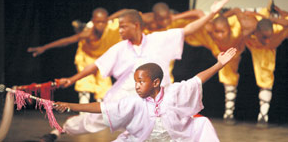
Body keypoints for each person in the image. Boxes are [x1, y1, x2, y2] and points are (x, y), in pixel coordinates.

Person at [40, 0, 230, 141]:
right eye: (119, 27)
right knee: (93, 120)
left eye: (123, 27)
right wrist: (72, 80)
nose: (120, 31)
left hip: (158, 99)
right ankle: (59, 131)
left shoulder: (159, 40)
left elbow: (188, 30)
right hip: (125, 98)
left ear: (136, 25)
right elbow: (96, 66)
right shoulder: (119, 48)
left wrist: (212, 13)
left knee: (177, 127)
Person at [54, 47, 237, 141]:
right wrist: (70, 106)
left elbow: (198, 79)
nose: (137, 86)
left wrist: (220, 64)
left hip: (173, 139)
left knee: (202, 123)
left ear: (156, 82)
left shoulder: (174, 92)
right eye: (135, 82)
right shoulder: (134, 101)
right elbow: (101, 107)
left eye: (141, 82)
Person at [28, 8, 122, 104]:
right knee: (85, 83)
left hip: (101, 58)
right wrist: (44, 47)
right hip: (86, 57)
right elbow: (67, 41)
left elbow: (125, 12)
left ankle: (101, 114)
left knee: (104, 86)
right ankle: (83, 113)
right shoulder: (88, 33)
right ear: (93, 21)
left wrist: (108, 19)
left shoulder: (111, 27)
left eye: (103, 22)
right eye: (98, 22)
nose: (101, 25)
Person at [243, 7, 288, 127]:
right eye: (264, 37)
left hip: (269, 55)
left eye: (269, 37)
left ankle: (263, 116)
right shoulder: (253, 24)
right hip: (255, 50)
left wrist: (270, 19)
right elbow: (243, 33)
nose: (267, 40)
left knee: (266, 84)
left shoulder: (274, 28)